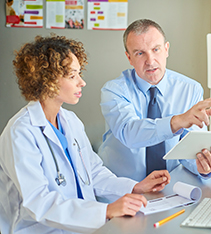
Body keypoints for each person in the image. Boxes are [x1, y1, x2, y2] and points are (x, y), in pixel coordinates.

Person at [0, 34, 171, 234]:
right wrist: (106, 210)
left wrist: (135, 187)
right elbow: (39, 202)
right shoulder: (20, 132)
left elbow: (94, 174)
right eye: (72, 76)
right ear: (47, 81)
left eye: (79, 74)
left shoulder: (71, 121)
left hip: (84, 228)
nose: (82, 82)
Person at [98, 19, 211, 182]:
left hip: (168, 187)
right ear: (129, 58)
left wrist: (201, 166)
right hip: (123, 188)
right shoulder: (113, 90)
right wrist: (177, 121)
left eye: (156, 49)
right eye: (140, 53)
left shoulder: (190, 89)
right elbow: (130, 132)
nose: (150, 61)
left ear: (166, 49)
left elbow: (190, 148)